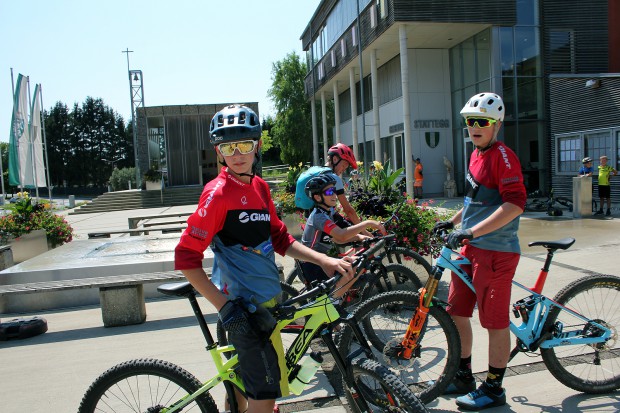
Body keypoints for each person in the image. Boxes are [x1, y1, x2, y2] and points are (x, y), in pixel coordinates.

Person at [174, 104, 354, 413]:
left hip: (265, 303)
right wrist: (225, 308)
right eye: (228, 146)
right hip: (244, 311)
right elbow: (186, 256)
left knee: (243, 389)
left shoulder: (258, 187)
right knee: (265, 398)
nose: (237, 153)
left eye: (244, 144)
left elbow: (280, 239)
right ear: (218, 151)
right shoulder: (217, 194)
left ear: (257, 145)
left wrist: (324, 261)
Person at [433, 93, 527, 410]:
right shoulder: (475, 155)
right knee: (457, 312)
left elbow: (515, 204)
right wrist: (453, 223)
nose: (474, 127)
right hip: (470, 248)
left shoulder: (503, 157)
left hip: (496, 251)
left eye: (482, 122)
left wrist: (471, 231)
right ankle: (463, 375)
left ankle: (494, 387)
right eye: (470, 121)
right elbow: (473, 202)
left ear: (496, 125)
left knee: (495, 323)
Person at [300, 173, 386, 288]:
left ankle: (339, 297)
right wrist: (368, 223)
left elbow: (338, 235)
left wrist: (360, 237)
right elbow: (341, 236)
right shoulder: (318, 217)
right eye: (329, 192)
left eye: (334, 191)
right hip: (312, 265)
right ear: (317, 197)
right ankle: (334, 300)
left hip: (321, 261)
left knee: (355, 263)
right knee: (355, 266)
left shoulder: (329, 211)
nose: (334, 195)